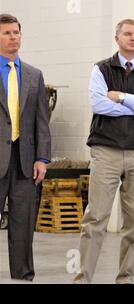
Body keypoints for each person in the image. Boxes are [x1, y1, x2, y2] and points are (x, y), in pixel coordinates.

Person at [74, 19, 134, 284]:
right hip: (106, 151)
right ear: (117, 38)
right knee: (95, 219)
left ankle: (125, 279)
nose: (133, 38)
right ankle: (83, 279)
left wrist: (122, 97)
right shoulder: (101, 69)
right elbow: (99, 104)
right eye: (128, 34)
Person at [0, 14, 51, 281]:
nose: (14, 37)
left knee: (22, 224)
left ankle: (23, 275)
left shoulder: (33, 75)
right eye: (7, 33)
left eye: (16, 32)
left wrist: (42, 158)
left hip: (25, 162)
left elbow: (42, 121)